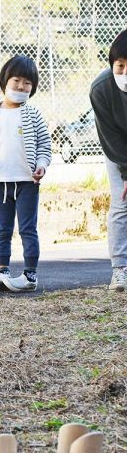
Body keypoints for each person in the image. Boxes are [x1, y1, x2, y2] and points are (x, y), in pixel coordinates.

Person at [0, 55, 51, 292]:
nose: (21, 86)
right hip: (0, 182)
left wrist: (42, 165)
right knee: (2, 228)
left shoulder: (34, 115)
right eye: (16, 80)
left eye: (27, 83)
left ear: (33, 87)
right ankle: (2, 271)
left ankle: (30, 275)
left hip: (27, 181)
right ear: (5, 80)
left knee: (28, 228)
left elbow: (45, 146)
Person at [90, 30, 127, 292]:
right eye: (120, 66)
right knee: (122, 201)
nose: (124, 72)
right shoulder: (101, 88)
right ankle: (120, 269)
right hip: (118, 150)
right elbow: (111, 137)